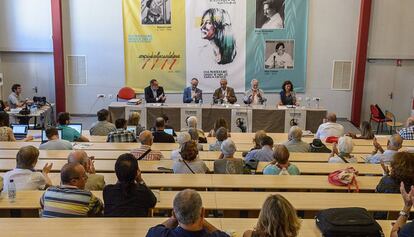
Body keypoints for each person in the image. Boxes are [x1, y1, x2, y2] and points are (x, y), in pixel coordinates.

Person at [146, 189, 229, 237]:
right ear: (203, 212)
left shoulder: (157, 234)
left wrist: (175, 217)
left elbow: (155, 230)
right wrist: (202, 219)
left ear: (174, 214)